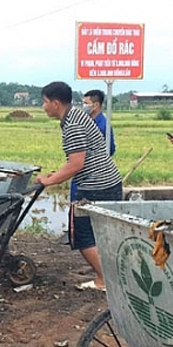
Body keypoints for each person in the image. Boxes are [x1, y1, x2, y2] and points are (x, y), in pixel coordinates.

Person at [35, 81, 123, 291]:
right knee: (103, 234)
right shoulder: (77, 115)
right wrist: (57, 173)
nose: (43, 106)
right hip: (109, 181)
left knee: (82, 236)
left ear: (56, 103)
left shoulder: (72, 125)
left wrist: (50, 180)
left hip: (95, 185)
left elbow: (77, 163)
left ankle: (104, 281)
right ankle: (112, 274)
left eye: (45, 102)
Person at [60, 88, 117, 244]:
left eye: (86, 103)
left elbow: (109, 150)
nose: (82, 106)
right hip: (82, 176)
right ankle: (74, 235)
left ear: (96, 105)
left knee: (89, 220)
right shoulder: (85, 120)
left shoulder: (103, 124)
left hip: (94, 177)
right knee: (77, 209)